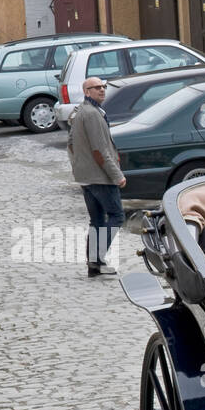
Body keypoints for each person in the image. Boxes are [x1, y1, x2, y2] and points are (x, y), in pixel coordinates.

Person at [66, 76, 125, 277]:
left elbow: (72, 143)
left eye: (103, 86)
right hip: (99, 177)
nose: (101, 90)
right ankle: (96, 258)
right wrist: (116, 175)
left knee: (98, 220)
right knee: (117, 216)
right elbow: (100, 150)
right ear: (87, 92)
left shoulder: (82, 111)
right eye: (96, 87)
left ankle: (95, 265)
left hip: (86, 176)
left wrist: (78, 167)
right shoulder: (91, 114)